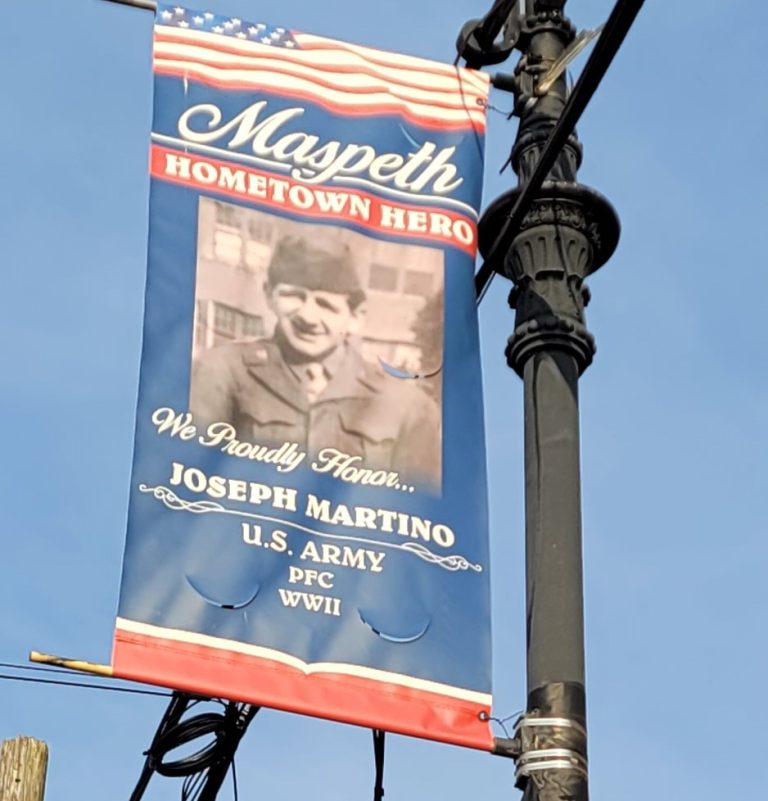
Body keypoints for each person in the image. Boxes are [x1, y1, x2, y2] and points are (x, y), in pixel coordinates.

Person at [189, 237, 441, 488]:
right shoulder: (221, 373)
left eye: (326, 304)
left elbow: (417, 512)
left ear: (356, 316)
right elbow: (189, 475)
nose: (308, 317)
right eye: (293, 296)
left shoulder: (407, 408)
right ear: (269, 295)